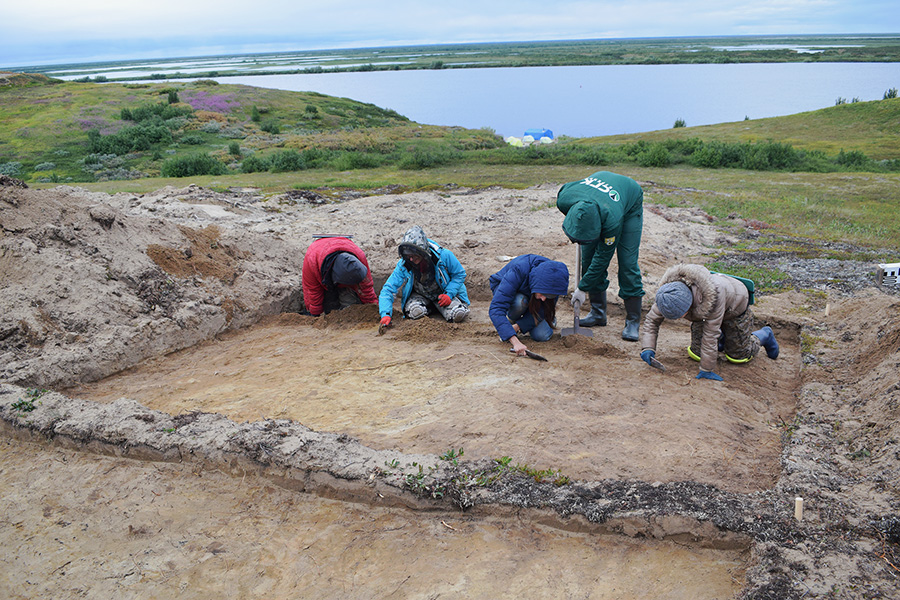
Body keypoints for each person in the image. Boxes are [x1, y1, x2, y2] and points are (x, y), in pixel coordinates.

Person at [639, 263, 779, 381]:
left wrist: (706, 369)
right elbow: (652, 321)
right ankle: (724, 340)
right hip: (703, 310)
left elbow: (710, 334)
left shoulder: (713, 297)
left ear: (688, 306)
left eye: (681, 315)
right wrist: (648, 348)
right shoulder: (668, 296)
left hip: (735, 306)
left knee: (738, 356)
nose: (679, 319)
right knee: (696, 354)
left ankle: (765, 334)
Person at [556, 170, 645, 341]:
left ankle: (633, 321)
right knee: (587, 259)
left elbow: (603, 258)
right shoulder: (564, 198)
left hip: (628, 202)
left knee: (627, 263)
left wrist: (582, 288)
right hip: (597, 196)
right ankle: (598, 313)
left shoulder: (612, 219)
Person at [378, 225, 470, 328]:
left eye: (414, 256)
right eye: (408, 256)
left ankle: (439, 307)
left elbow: (459, 274)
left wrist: (449, 294)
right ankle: (430, 308)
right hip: (420, 296)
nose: (411, 259)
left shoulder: (444, 256)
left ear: (423, 252)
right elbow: (388, 289)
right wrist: (385, 314)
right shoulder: (404, 265)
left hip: (444, 294)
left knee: (458, 314)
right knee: (415, 312)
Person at [489, 254, 569, 356]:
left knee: (541, 335)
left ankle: (545, 320)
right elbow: (496, 308)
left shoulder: (555, 279)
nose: (545, 298)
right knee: (519, 302)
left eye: (549, 296)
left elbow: (543, 309)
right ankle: (513, 318)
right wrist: (515, 342)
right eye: (543, 294)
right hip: (515, 295)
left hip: (533, 300)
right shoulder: (519, 270)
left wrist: (517, 327)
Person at [301, 236, 377, 316]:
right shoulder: (312, 261)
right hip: (322, 270)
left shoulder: (359, 259)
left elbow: (366, 287)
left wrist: (373, 308)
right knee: (329, 307)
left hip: (338, 262)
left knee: (351, 307)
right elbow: (313, 292)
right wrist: (315, 314)